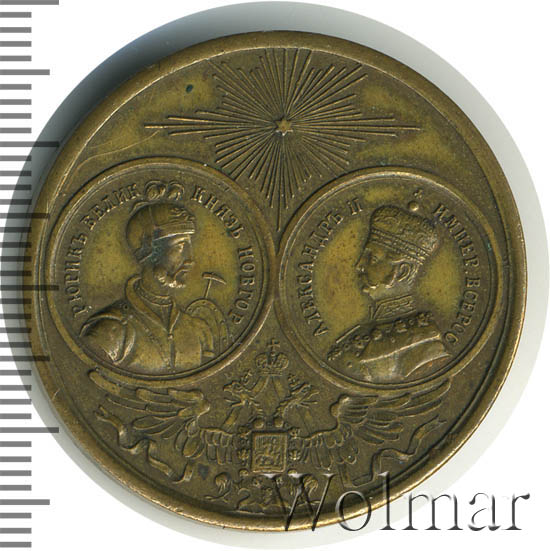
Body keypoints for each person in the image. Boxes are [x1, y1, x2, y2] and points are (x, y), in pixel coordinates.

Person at [81, 199, 228, 375]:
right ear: (149, 251)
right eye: (180, 247)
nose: (190, 259)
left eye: (189, 246)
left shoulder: (199, 330)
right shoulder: (112, 330)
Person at [328, 205, 449, 383]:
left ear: (402, 272)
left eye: (373, 258)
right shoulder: (364, 330)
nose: (359, 265)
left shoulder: (425, 345)